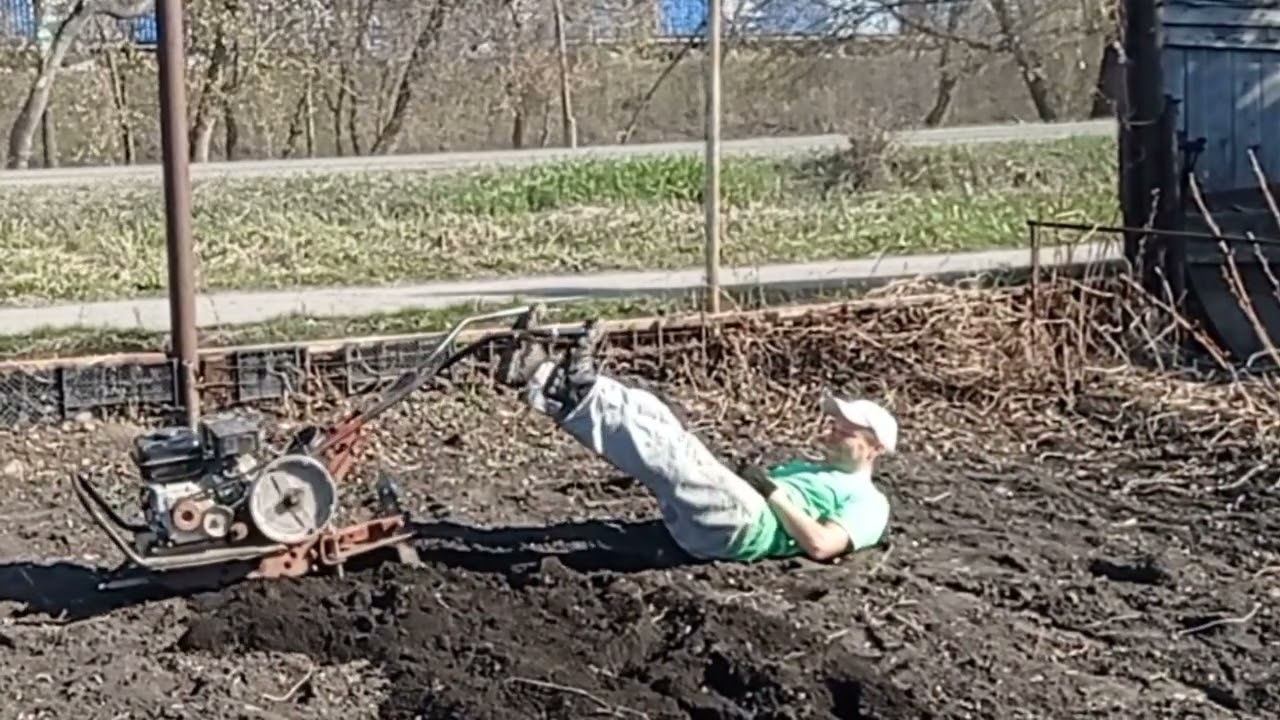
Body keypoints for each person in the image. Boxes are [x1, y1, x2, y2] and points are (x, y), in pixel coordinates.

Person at [494, 310, 896, 564]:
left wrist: (774, 494)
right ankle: (543, 377)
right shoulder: (806, 469)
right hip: (735, 515)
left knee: (674, 451)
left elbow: (821, 545)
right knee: (658, 416)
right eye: (836, 421)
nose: (835, 429)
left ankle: (574, 389)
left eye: (849, 428)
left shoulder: (870, 503)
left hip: (747, 525)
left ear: (876, 448)